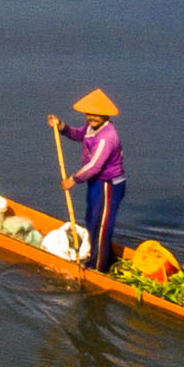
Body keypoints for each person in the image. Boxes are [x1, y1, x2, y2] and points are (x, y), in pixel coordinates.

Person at [56, 91, 126, 268]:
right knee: (91, 220)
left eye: (96, 114)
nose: (92, 117)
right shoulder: (91, 128)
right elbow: (79, 135)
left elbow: (94, 166)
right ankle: (97, 254)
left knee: (101, 225)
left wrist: (73, 179)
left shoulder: (107, 137)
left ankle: (98, 266)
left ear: (105, 115)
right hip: (95, 182)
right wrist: (61, 126)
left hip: (108, 185)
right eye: (89, 114)